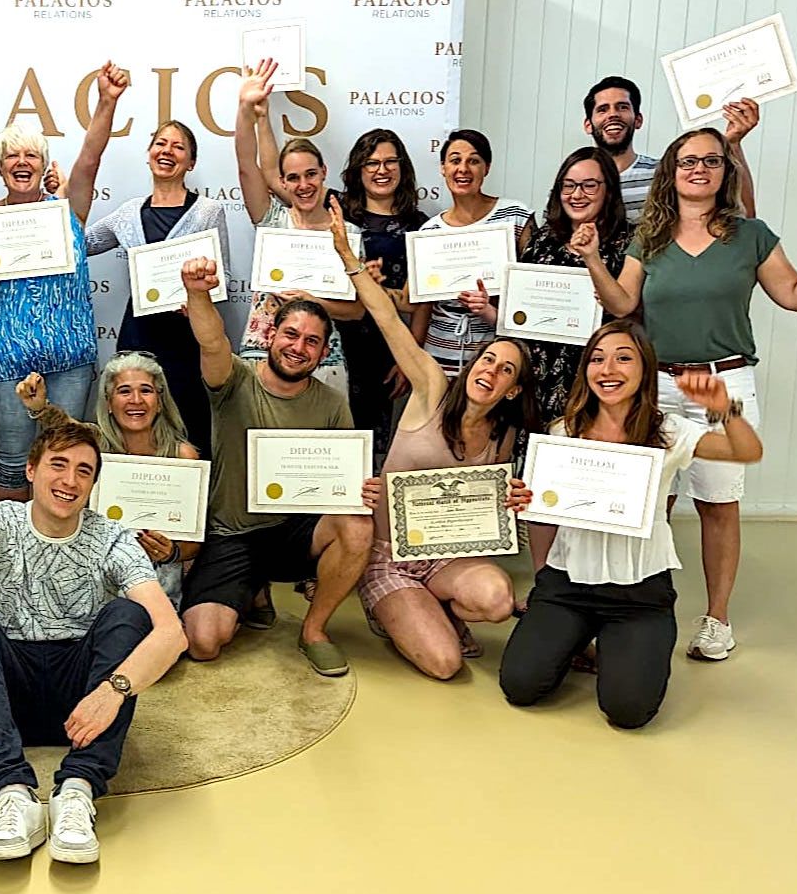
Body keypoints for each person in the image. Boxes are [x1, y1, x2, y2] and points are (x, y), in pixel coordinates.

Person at [575, 127, 797, 661]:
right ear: (671, 172)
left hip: (724, 383)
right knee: (646, 502)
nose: (699, 169)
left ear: (724, 171)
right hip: (657, 385)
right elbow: (621, 304)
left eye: (711, 160)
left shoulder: (751, 235)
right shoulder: (651, 236)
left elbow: (795, 296)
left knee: (718, 503)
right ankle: (635, 609)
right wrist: (594, 259)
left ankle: (717, 620)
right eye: (688, 161)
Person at [0, 422, 185, 864]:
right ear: (31, 469)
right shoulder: (3, 520)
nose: (70, 480)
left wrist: (113, 690)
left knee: (128, 615)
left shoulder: (112, 537)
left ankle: (77, 791)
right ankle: (12, 793)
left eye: (83, 471)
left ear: (93, 485)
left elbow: (171, 633)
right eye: (58, 465)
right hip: (10, 696)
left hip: (84, 704)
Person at [501, 321, 764, 728]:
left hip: (639, 592)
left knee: (628, 711)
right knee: (520, 685)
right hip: (567, 585)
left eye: (623, 358)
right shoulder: (563, 431)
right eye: (597, 360)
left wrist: (723, 405)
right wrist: (526, 500)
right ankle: (577, 637)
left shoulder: (669, 431)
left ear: (645, 369)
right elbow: (544, 509)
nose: (608, 370)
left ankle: (619, 643)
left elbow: (747, 451)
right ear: (586, 370)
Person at [329, 212, 536, 678]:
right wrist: (347, 257)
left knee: (498, 602)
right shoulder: (432, 388)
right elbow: (388, 320)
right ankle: (393, 605)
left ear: (513, 391)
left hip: (447, 556)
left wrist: (511, 501)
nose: (491, 372)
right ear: (472, 364)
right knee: (445, 664)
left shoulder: (503, 435)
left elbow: (484, 513)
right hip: (388, 555)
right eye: (487, 359)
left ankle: (434, 604)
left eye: (506, 370)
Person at [176, 250, 373, 674]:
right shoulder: (234, 379)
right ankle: (253, 589)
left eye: (312, 341)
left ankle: (314, 631)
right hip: (232, 533)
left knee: (357, 523)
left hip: (291, 533)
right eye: (291, 334)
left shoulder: (332, 404)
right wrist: (198, 293)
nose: (298, 348)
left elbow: (342, 481)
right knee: (204, 642)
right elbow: (212, 341)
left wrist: (361, 489)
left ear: (323, 352)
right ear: (270, 335)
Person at [0, 62, 126, 500]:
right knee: (13, 461)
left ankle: (59, 541)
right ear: (0, 168)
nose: (21, 162)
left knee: (65, 458)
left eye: (31, 155)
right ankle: (8, 545)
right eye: (12, 156)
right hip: (6, 360)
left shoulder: (68, 209)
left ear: (44, 164)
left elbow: (90, 157)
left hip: (68, 360)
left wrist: (106, 101)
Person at [86, 118, 229, 457]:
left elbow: (220, 275)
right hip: (138, 334)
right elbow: (82, 243)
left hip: (187, 335)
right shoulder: (127, 213)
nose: (167, 151)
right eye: (160, 144)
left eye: (178, 147)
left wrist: (200, 296)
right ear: (149, 153)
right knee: (132, 424)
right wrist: (56, 199)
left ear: (191, 162)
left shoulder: (208, 211)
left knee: (189, 424)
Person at [17, 353, 202, 607]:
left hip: (156, 581)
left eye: (146, 390)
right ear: (109, 403)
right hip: (93, 579)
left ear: (159, 402)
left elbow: (194, 542)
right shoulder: (95, 443)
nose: (136, 400)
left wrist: (171, 552)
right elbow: (64, 426)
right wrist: (40, 408)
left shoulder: (183, 456)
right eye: (124, 391)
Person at [234, 59, 361, 397]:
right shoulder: (271, 219)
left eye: (310, 174)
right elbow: (246, 165)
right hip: (261, 352)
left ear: (323, 172)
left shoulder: (347, 234)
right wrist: (246, 112)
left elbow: (357, 310)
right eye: (293, 178)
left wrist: (312, 300)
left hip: (324, 360)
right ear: (283, 182)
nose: (303, 185)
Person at [516, 147, 632, 422]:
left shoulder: (628, 242)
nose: (577, 195)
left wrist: (591, 256)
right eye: (568, 185)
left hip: (596, 377)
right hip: (536, 376)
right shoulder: (542, 240)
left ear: (609, 190)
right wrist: (489, 312)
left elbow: (624, 309)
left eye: (589, 185)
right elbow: (521, 313)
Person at [411, 129, 533, 378]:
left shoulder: (515, 216)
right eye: (455, 160)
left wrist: (492, 306)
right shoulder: (430, 231)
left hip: (496, 358)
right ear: (443, 168)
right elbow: (424, 305)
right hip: (438, 358)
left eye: (474, 161)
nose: (463, 169)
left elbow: (530, 287)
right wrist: (412, 360)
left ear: (487, 168)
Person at [337, 128, 428, 459]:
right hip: (336, 340)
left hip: (389, 347)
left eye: (391, 161)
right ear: (358, 169)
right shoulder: (337, 214)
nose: (382, 170)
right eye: (371, 163)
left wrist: (411, 359)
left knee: (379, 445)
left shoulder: (419, 225)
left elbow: (422, 301)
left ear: (403, 167)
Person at [582, 75, 759, 220]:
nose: (613, 114)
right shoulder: (575, 180)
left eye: (622, 107)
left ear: (638, 120)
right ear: (588, 125)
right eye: (602, 109)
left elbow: (744, 217)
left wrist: (733, 144)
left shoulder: (668, 173)